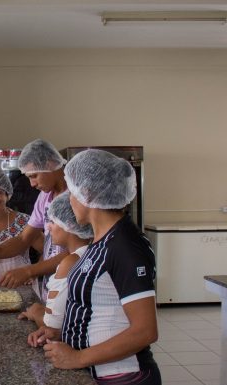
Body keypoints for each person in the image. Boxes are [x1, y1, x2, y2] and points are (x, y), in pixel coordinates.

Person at [42, 149, 160, 384]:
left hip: (125, 376)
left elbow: (145, 330)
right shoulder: (100, 241)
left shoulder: (126, 246)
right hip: (98, 371)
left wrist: (78, 357)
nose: (70, 199)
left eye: (72, 192)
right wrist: (60, 334)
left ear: (86, 193)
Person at [0, 139, 69, 300]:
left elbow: (76, 252)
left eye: (34, 176)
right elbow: (23, 239)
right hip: (51, 284)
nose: (32, 184)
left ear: (50, 163)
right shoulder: (44, 197)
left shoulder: (75, 196)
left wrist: (30, 271)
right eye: (28, 177)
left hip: (70, 281)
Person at [18, 191, 92, 336]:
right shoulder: (92, 251)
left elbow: (52, 326)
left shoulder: (70, 263)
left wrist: (36, 312)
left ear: (68, 225)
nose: (48, 228)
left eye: (53, 222)